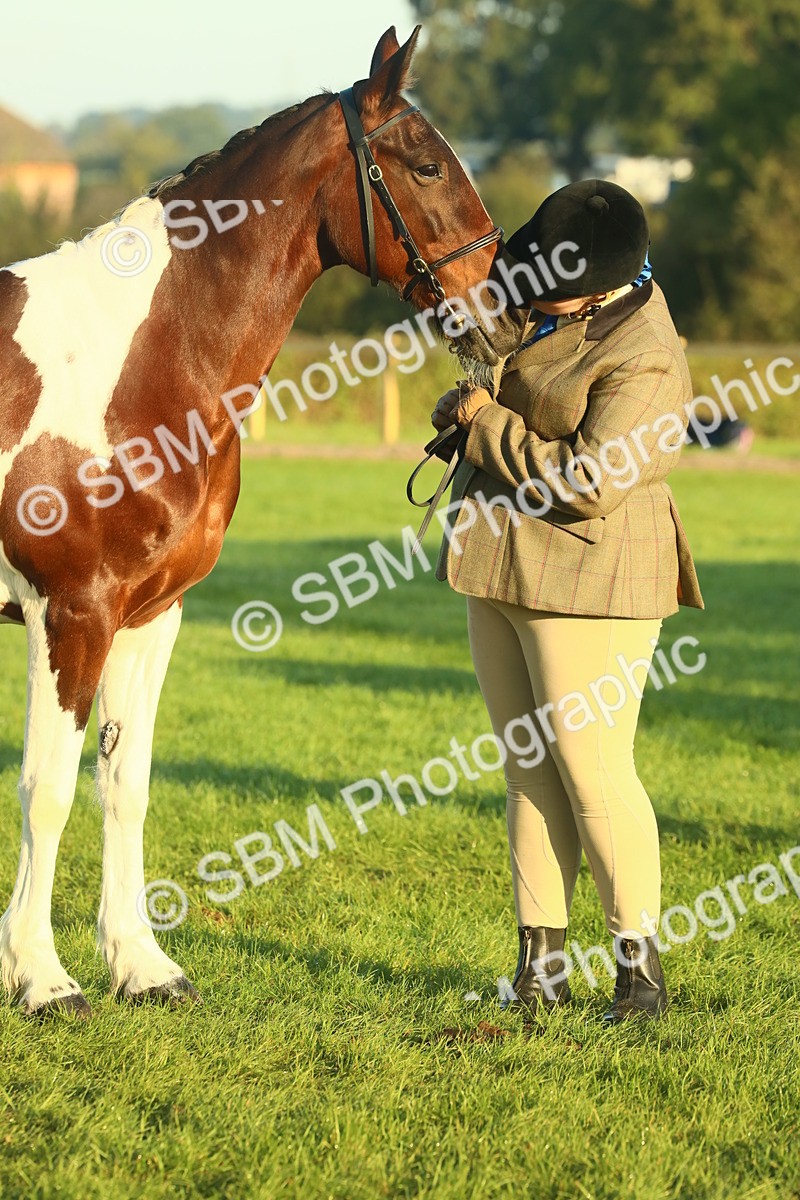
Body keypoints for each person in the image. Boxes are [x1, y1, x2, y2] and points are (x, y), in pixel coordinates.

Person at [430, 179, 704, 1023]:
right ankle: (538, 971)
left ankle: (640, 980)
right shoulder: (547, 286)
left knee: (593, 775)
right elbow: (477, 326)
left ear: (600, 287)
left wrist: (481, 423)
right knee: (527, 774)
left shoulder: (650, 357)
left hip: (593, 580)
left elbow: (589, 481)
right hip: (501, 565)